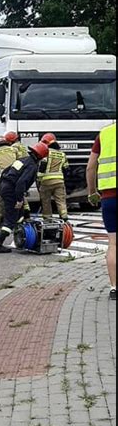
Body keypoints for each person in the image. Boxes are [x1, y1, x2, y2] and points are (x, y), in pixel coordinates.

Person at [0, 142, 50, 254]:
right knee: (11, 217)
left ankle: (22, 236)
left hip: (5, 186)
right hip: (12, 190)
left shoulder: (23, 160)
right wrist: (18, 199)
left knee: (20, 213)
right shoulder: (32, 166)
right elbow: (21, 183)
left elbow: (5, 172)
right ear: (41, 156)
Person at [87, 122, 117, 301]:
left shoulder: (104, 134)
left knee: (113, 244)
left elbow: (91, 167)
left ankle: (114, 287)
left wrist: (92, 193)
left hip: (109, 198)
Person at [38, 133, 70, 221]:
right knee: (61, 200)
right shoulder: (62, 154)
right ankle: (64, 216)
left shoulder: (46, 152)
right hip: (59, 181)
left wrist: (39, 179)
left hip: (46, 182)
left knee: (46, 201)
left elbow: (42, 166)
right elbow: (66, 168)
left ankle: (47, 218)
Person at [5, 131, 32, 218]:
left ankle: (20, 212)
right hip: (25, 169)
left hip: (18, 169)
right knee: (22, 190)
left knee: (17, 190)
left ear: (9, 141)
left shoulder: (13, 148)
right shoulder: (22, 146)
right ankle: (27, 208)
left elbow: (13, 160)